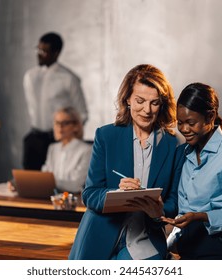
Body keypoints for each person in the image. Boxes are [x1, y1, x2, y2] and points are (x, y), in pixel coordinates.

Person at [68, 64, 185, 260]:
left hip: (145, 239)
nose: (147, 110)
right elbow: (89, 194)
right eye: (140, 101)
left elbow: (174, 202)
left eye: (154, 103)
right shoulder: (106, 135)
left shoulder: (175, 144)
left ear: (162, 104)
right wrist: (116, 194)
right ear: (127, 99)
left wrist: (159, 210)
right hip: (99, 235)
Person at [160, 82, 222, 259]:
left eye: (191, 123)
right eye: (180, 123)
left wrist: (201, 216)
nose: (184, 129)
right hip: (189, 247)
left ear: (210, 117)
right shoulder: (183, 153)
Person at [23, 32, 88, 170]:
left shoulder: (69, 78)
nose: (39, 54)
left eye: (44, 51)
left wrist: (69, 138)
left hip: (57, 139)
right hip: (34, 138)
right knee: (29, 184)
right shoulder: (30, 76)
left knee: (54, 184)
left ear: (56, 53)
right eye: (38, 49)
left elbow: (82, 113)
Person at [41, 107, 92, 194]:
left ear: (76, 126)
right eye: (57, 123)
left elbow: (76, 184)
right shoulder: (53, 148)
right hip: (52, 196)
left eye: (65, 123)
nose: (60, 127)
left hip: (74, 199)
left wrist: (48, 181)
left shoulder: (87, 150)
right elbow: (44, 175)